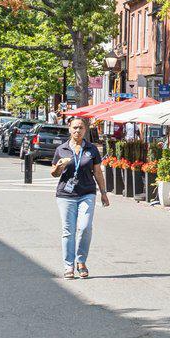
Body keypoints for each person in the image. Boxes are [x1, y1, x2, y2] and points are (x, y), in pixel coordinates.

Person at [52, 116, 111, 279]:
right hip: (66, 195)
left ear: (85, 130)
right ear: (69, 129)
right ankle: (68, 266)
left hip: (87, 193)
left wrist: (103, 193)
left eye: (81, 128)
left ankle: (81, 261)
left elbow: (97, 172)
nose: (78, 130)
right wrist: (58, 167)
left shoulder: (92, 149)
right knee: (68, 231)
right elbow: (54, 173)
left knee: (85, 227)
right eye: (75, 127)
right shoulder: (61, 149)